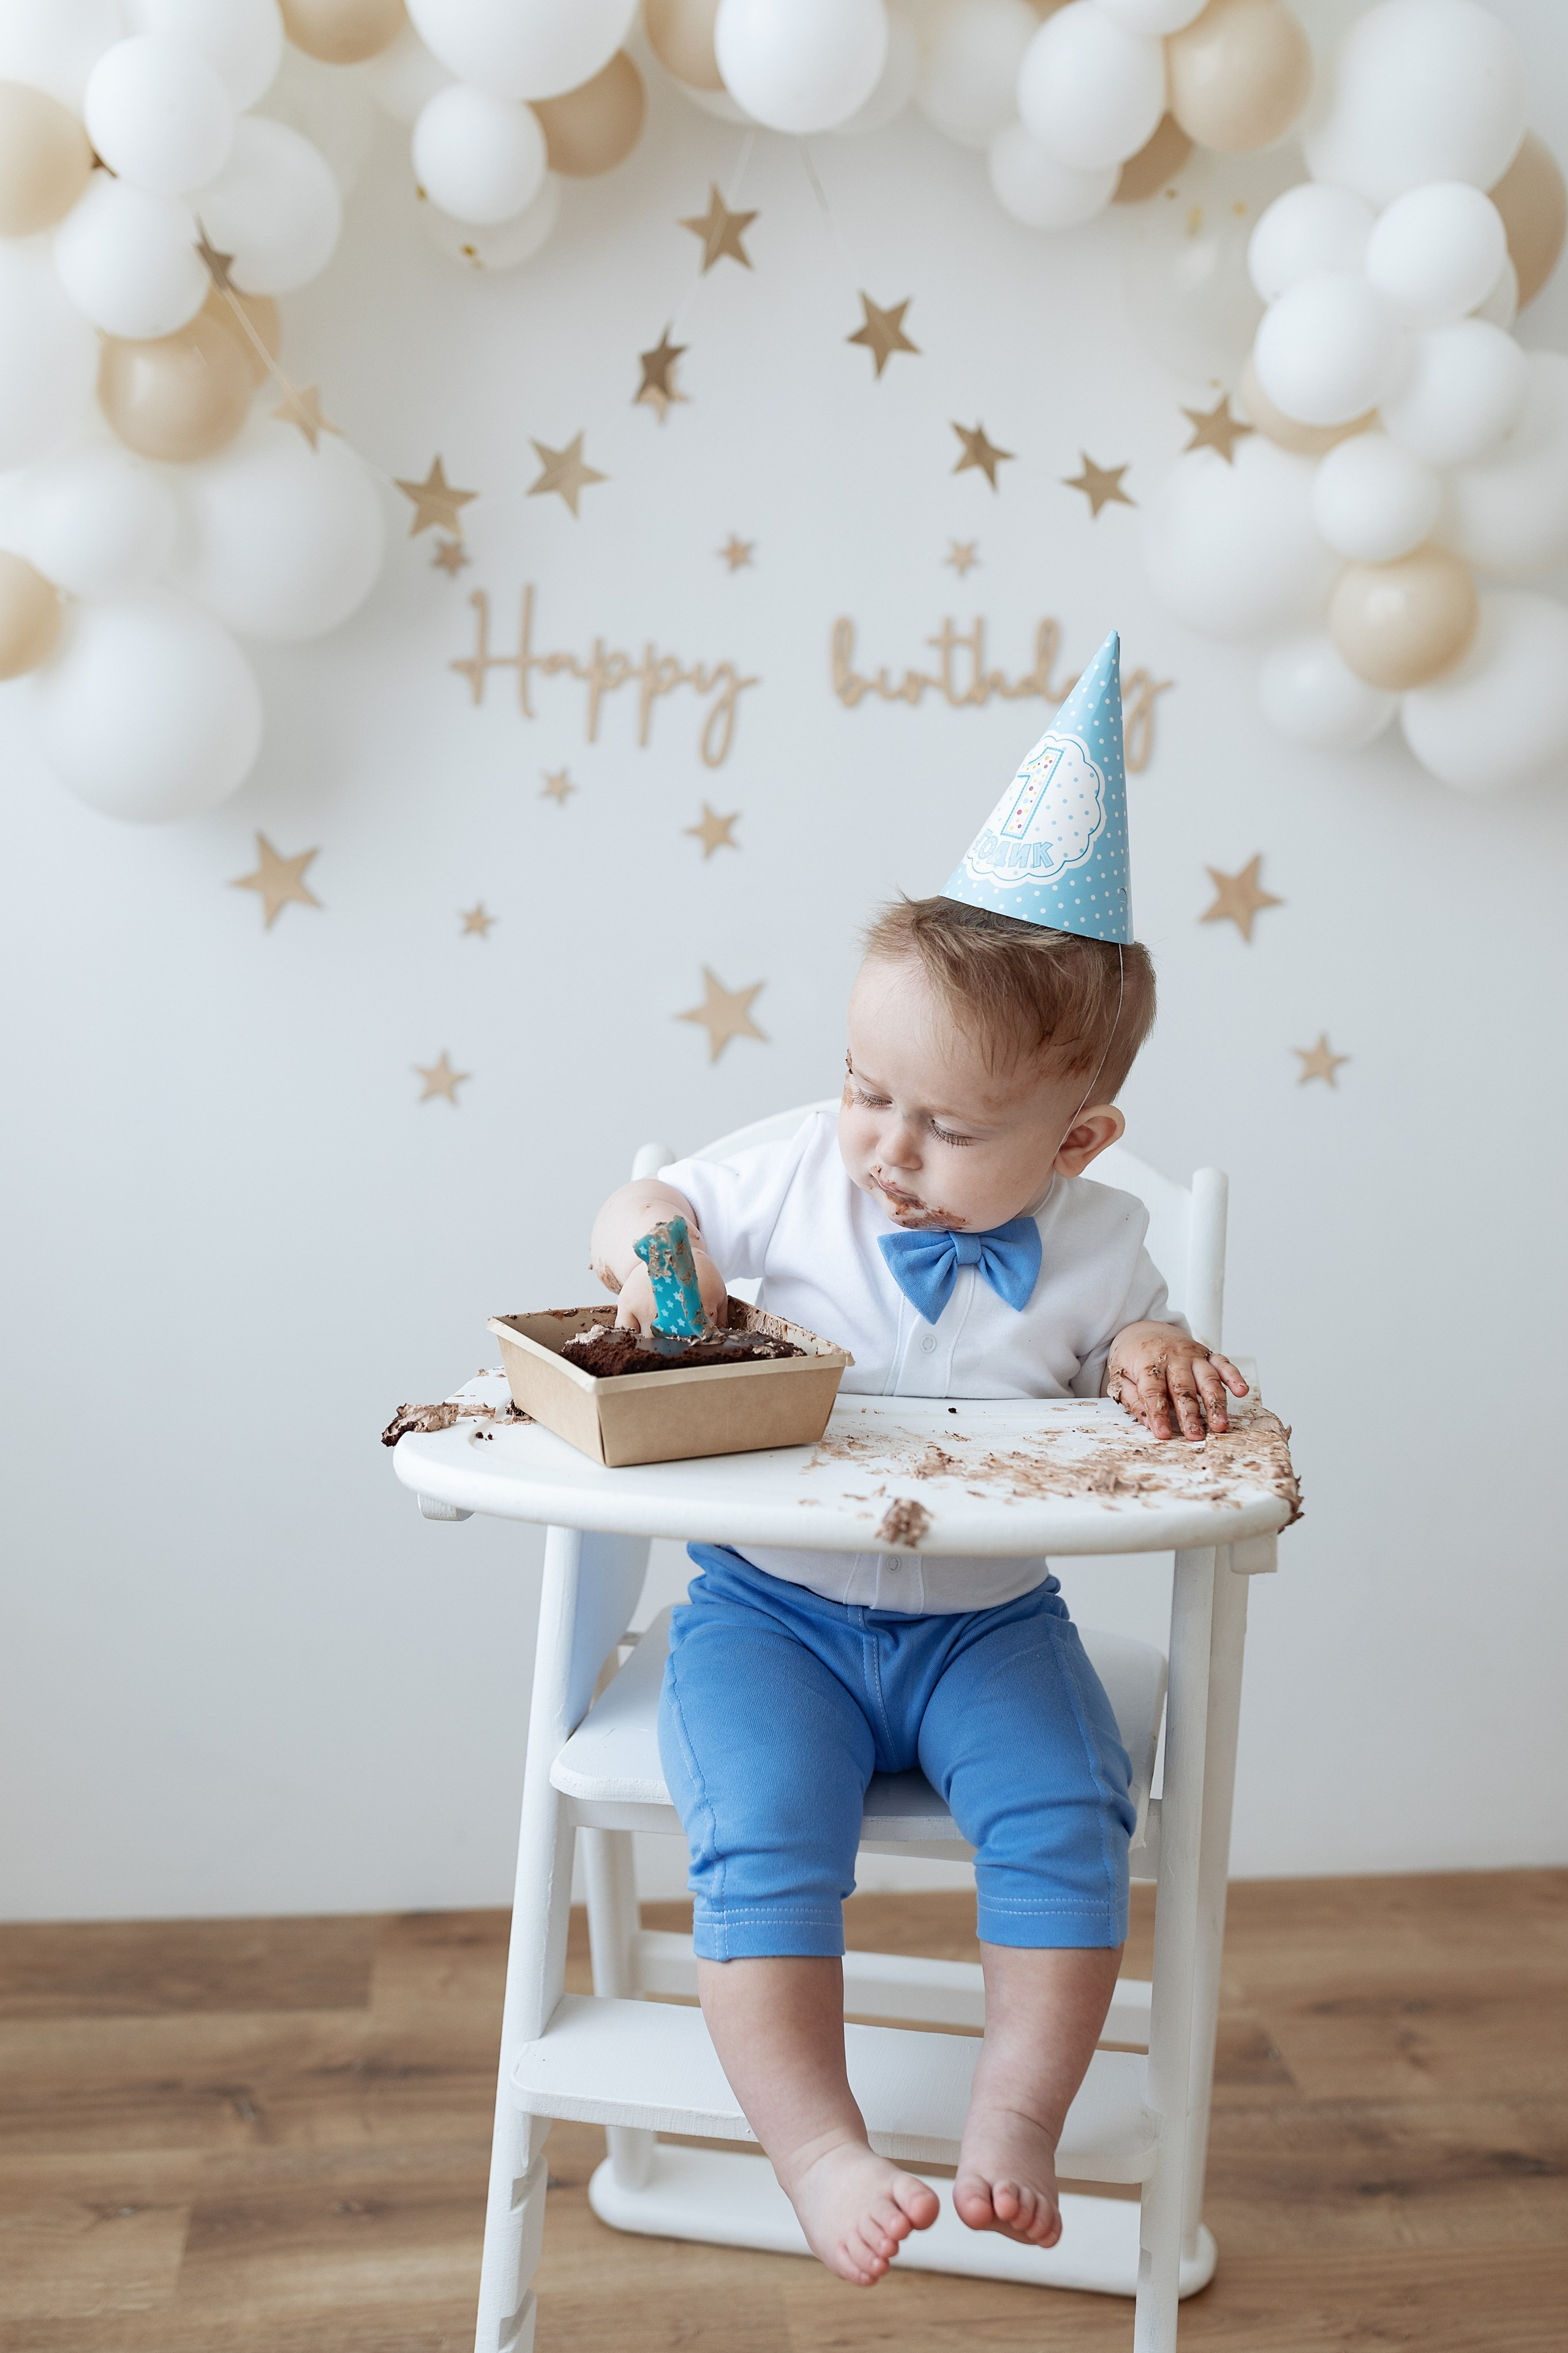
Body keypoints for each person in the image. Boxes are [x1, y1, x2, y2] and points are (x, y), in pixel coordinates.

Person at [587, 633, 1247, 2288]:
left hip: (987, 1621)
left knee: (1067, 1815)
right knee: (761, 1833)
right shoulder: (804, 1173)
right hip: (769, 1613)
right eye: (867, 1087)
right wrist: (664, 1260)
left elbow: (1131, 1358)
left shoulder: (1103, 1248)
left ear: (1078, 1141)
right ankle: (814, 2145)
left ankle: (1015, 2122)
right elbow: (641, 1201)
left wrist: (1156, 1355)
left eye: (945, 1125)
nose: (885, 1145)